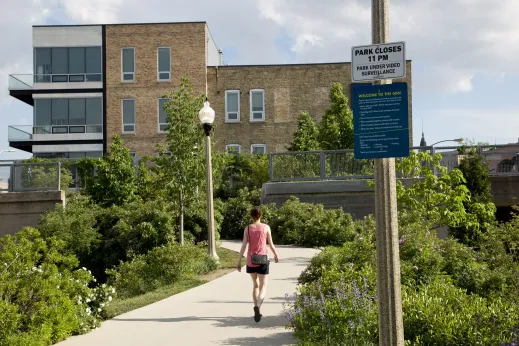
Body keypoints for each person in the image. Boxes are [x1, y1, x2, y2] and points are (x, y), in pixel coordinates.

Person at [236, 206, 279, 323]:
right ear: (261, 215)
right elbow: (271, 244)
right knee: (263, 286)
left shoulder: (247, 229)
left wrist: (239, 260)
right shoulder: (266, 227)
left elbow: (244, 245)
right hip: (263, 260)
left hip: (251, 260)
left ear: (251, 216)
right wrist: (276, 254)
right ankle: (258, 306)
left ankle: (256, 307)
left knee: (255, 285)